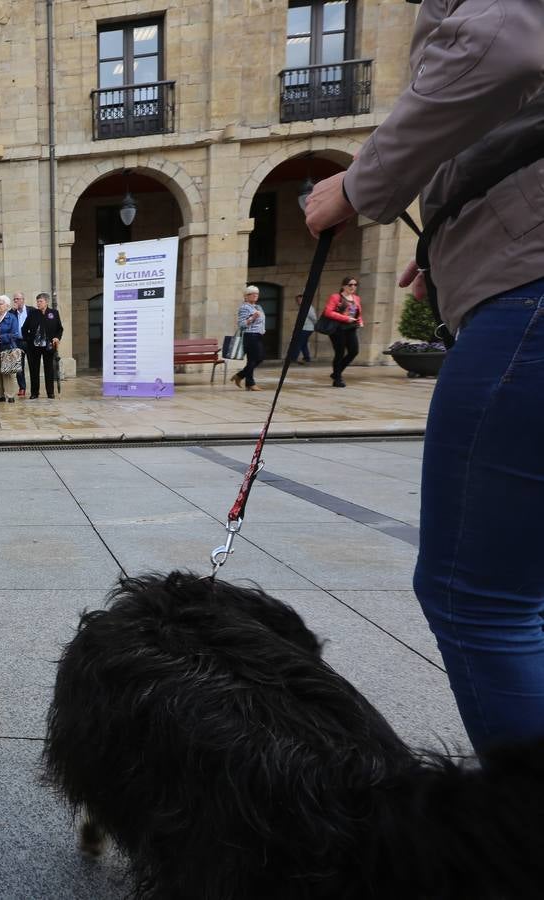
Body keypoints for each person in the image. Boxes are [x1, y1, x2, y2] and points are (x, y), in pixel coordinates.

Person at [303, 1, 544, 756]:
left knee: (479, 602)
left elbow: (500, 43)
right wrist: (449, 238)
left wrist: (360, 185)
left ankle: (515, 841)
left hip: (529, 295)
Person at [321, 277, 363, 388]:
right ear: (343, 286)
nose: (353, 287)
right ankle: (337, 379)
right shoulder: (335, 297)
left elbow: (358, 313)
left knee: (354, 351)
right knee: (339, 353)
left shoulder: (356, 298)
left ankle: (336, 373)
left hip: (351, 328)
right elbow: (328, 312)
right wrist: (345, 319)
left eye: (355, 284)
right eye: (350, 284)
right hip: (337, 329)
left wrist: (360, 321)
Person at [23, 292, 63, 399]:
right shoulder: (33, 313)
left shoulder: (54, 313)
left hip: (48, 346)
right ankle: (34, 393)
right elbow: (24, 329)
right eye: (37, 301)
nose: (38, 303)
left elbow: (60, 329)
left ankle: (50, 392)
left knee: (49, 369)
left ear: (46, 302)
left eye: (40, 301)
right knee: (34, 370)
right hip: (34, 347)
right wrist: (28, 340)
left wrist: (57, 338)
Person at [231, 286, 265, 392]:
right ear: (246, 296)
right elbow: (241, 324)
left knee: (253, 360)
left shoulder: (258, 307)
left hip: (258, 335)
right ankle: (245, 379)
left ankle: (246, 381)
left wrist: (262, 329)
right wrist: (252, 317)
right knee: (258, 358)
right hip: (250, 335)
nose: (255, 295)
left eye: (257, 293)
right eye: (252, 293)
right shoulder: (244, 308)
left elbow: (262, 321)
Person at [287, 293, 316, 365]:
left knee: (298, 342)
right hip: (304, 328)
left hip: (307, 328)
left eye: (300, 300)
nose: (298, 301)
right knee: (303, 343)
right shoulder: (303, 307)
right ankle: (307, 358)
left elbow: (314, 317)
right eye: (297, 300)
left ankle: (293, 358)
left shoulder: (307, 307)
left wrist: (315, 325)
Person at [10, 292, 30, 398]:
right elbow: (6, 319)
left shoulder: (31, 311)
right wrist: (12, 311)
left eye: (18, 299)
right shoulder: (12, 313)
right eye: (15, 299)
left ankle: (35, 388)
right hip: (17, 342)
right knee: (19, 366)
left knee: (33, 365)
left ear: (23, 299)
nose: (16, 301)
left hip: (29, 341)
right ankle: (22, 388)